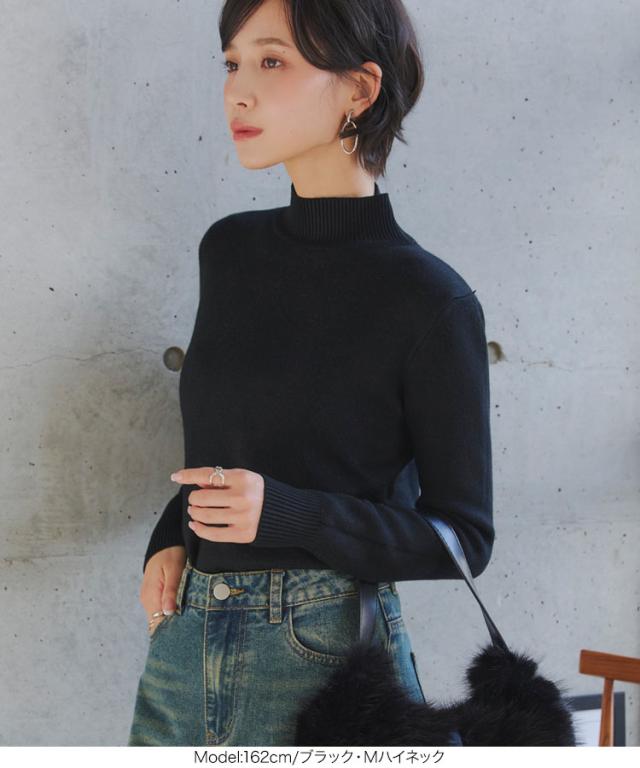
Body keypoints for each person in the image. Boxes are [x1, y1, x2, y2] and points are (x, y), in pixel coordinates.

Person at [127, 0, 494, 747]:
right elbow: (232, 443)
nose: (238, 91)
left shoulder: (429, 299)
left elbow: (462, 539)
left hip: (321, 656)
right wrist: (172, 534)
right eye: (232, 63)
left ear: (359, 88)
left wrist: (289, 515)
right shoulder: (228, 252)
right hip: (183, 639)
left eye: (272, 61)